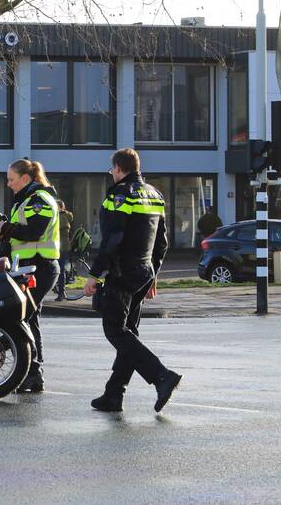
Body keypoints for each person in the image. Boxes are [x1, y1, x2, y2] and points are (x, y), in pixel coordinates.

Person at [84, 148, 182, 413]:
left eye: (111, 170)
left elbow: (112, 240)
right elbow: (162, 242)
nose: (111, 174)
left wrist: (95, 275)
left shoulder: (119, 195)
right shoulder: (155, 194)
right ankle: (114, 394)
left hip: (122, 272)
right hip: (144, 271)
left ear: (117, 168)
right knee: (128, 331)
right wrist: (153, 274)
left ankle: (162, 376)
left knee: (115, 329)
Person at [0, 159, 60, 392]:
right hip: (29, 267)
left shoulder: (39, 200)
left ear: (25, 178)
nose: (8, 184)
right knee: (29, 320)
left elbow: (34, 231)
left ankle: (33, 372)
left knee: (23, 319)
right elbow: (19, 235)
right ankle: (33, 374)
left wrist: (5, 228)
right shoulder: (26, 200)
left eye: (11, 179)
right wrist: (1, 231)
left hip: (40, 267)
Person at [54, 200, 74, 301]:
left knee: (60, 270)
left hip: (60, 246)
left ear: (61, 207)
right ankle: (61, 291)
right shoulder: (66, 215)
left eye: (56, 206)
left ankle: (61, 293)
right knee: (60, 269)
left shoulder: (60, 216)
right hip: (64, 246)